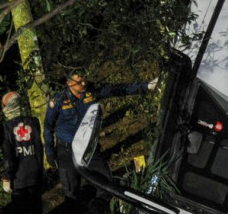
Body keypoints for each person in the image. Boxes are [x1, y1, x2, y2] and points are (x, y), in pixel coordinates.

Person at [43, 71, 158, 199]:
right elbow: (48, 126)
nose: (83, 83)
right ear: (69, 83)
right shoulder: (58, 99)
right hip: (66, 149)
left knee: (105, 181)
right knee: (71, 189)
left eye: (84, 79)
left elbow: (117, 89)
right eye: (79, 81)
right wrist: (49, 152)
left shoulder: (92, 91)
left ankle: (103, 210)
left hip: (88, 146)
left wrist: (146, 86)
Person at [1, 91, 44, 214]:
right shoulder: (33, 121)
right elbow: (39, 148)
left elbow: (8, 156)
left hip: (18, 177)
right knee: (37, 207)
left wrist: (7, 177)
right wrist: (40, 168)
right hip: (34, 172)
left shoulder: (6, 127)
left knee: (22, 212)